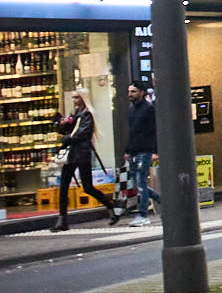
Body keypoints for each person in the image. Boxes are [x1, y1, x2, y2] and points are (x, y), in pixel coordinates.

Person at [51, 89, 121, 231]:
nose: (74, 100)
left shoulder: (87, 114)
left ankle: (111, 207)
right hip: (73, 155)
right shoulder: (76, 114)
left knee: (88, 187)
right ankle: (62, 220)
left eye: (77, 97)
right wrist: (60, 124)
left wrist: (67, 138)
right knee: (63, 187)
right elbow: (68, 133)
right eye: (73, 97)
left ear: (83, 98)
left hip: (82, 154)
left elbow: (82, 134)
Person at [123, 80, 160, 227]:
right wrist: (127, 150)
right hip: (135, 150)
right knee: (138, 181)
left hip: (145, 149)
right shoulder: (131, 109)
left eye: (133, 92)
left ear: (141, 93)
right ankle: (162, 200)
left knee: (141, 181)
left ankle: (143, 214)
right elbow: (132, 132)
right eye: (129, 92)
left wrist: (154, 151)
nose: (130, 94)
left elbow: (154, 131)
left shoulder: (149, 109)